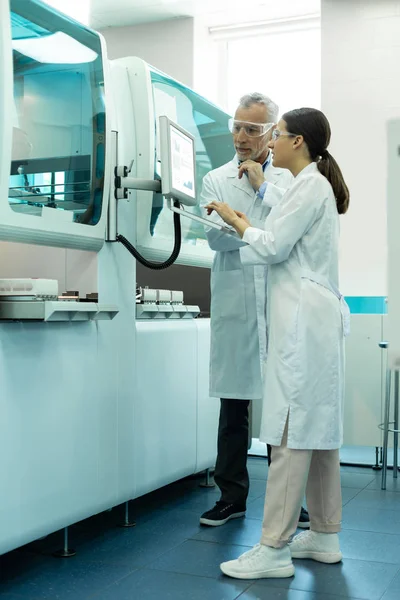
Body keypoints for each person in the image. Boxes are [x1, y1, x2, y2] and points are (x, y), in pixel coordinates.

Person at [205, 107, 350, 579]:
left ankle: (273, 549)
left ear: (298, 142)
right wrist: (251, 214)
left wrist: (233, 217)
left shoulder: (309, 184)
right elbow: (280, 229)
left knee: (289, 432)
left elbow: (272, 245)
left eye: (278, 134)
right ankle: (325, 534)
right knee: (320, 433)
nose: (271, 141)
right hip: (317, 322)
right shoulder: (312, 185)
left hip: (302, 325)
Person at [199, 93, 309, 529]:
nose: (242, 137)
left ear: (272, 132)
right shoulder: (216, 179)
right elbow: (216, 239)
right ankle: (231, 496)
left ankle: (288, 500)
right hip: (236, 301)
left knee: (283, 411)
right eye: (237, 127)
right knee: (234, 408)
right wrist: (256, 231)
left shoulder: (289, 177)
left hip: (279, 301)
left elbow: (294, 229)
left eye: (253, 129)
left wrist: (252, 205)